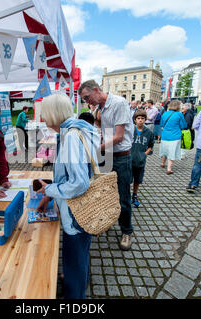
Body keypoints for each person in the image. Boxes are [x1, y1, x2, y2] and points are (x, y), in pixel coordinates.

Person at [35, 93, 100, 299]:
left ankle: (75, 294)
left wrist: (50, 190)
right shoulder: (78, 130)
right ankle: (79, 281)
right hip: (87, 207)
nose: (44, 119)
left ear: (52, 115)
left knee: (74, 257)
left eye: (45, 115)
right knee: (80, 254)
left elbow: (79, 182)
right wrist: (51, 193)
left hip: (77, 211)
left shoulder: (71, 136)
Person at [78, 79, 134, 251]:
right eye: (84, 100)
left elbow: (118, 137)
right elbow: (105, 133)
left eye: (87, 97)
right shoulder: (100, 108)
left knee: (123, 197)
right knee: (106, 193)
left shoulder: (119, 103)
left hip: (121, 157)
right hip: (108, 156)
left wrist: (95, 149)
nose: (87, 102)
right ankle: (108, 221)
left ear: (96, 90)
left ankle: (126, 231)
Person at [130, 110, 154, 208]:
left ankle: (134, 195)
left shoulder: (148, 132)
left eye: (142, 118)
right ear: (135, 120)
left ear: (145, 119)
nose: (140, 120)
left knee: (137, 179)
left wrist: (144, 154)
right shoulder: (130, 130)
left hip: (140, 161)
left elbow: (150, 146)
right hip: (129, 159)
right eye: (138, 118)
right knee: (127, 179)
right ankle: (126, 195)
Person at [159, 100, 187, 175]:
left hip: (164, 135)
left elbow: (161, 124)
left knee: (164, 150)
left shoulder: (164, 114)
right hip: (175, 136)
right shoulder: (179, 114)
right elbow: (183, 125)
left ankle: (162, 163)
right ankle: (169, 168)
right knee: (172, 152)